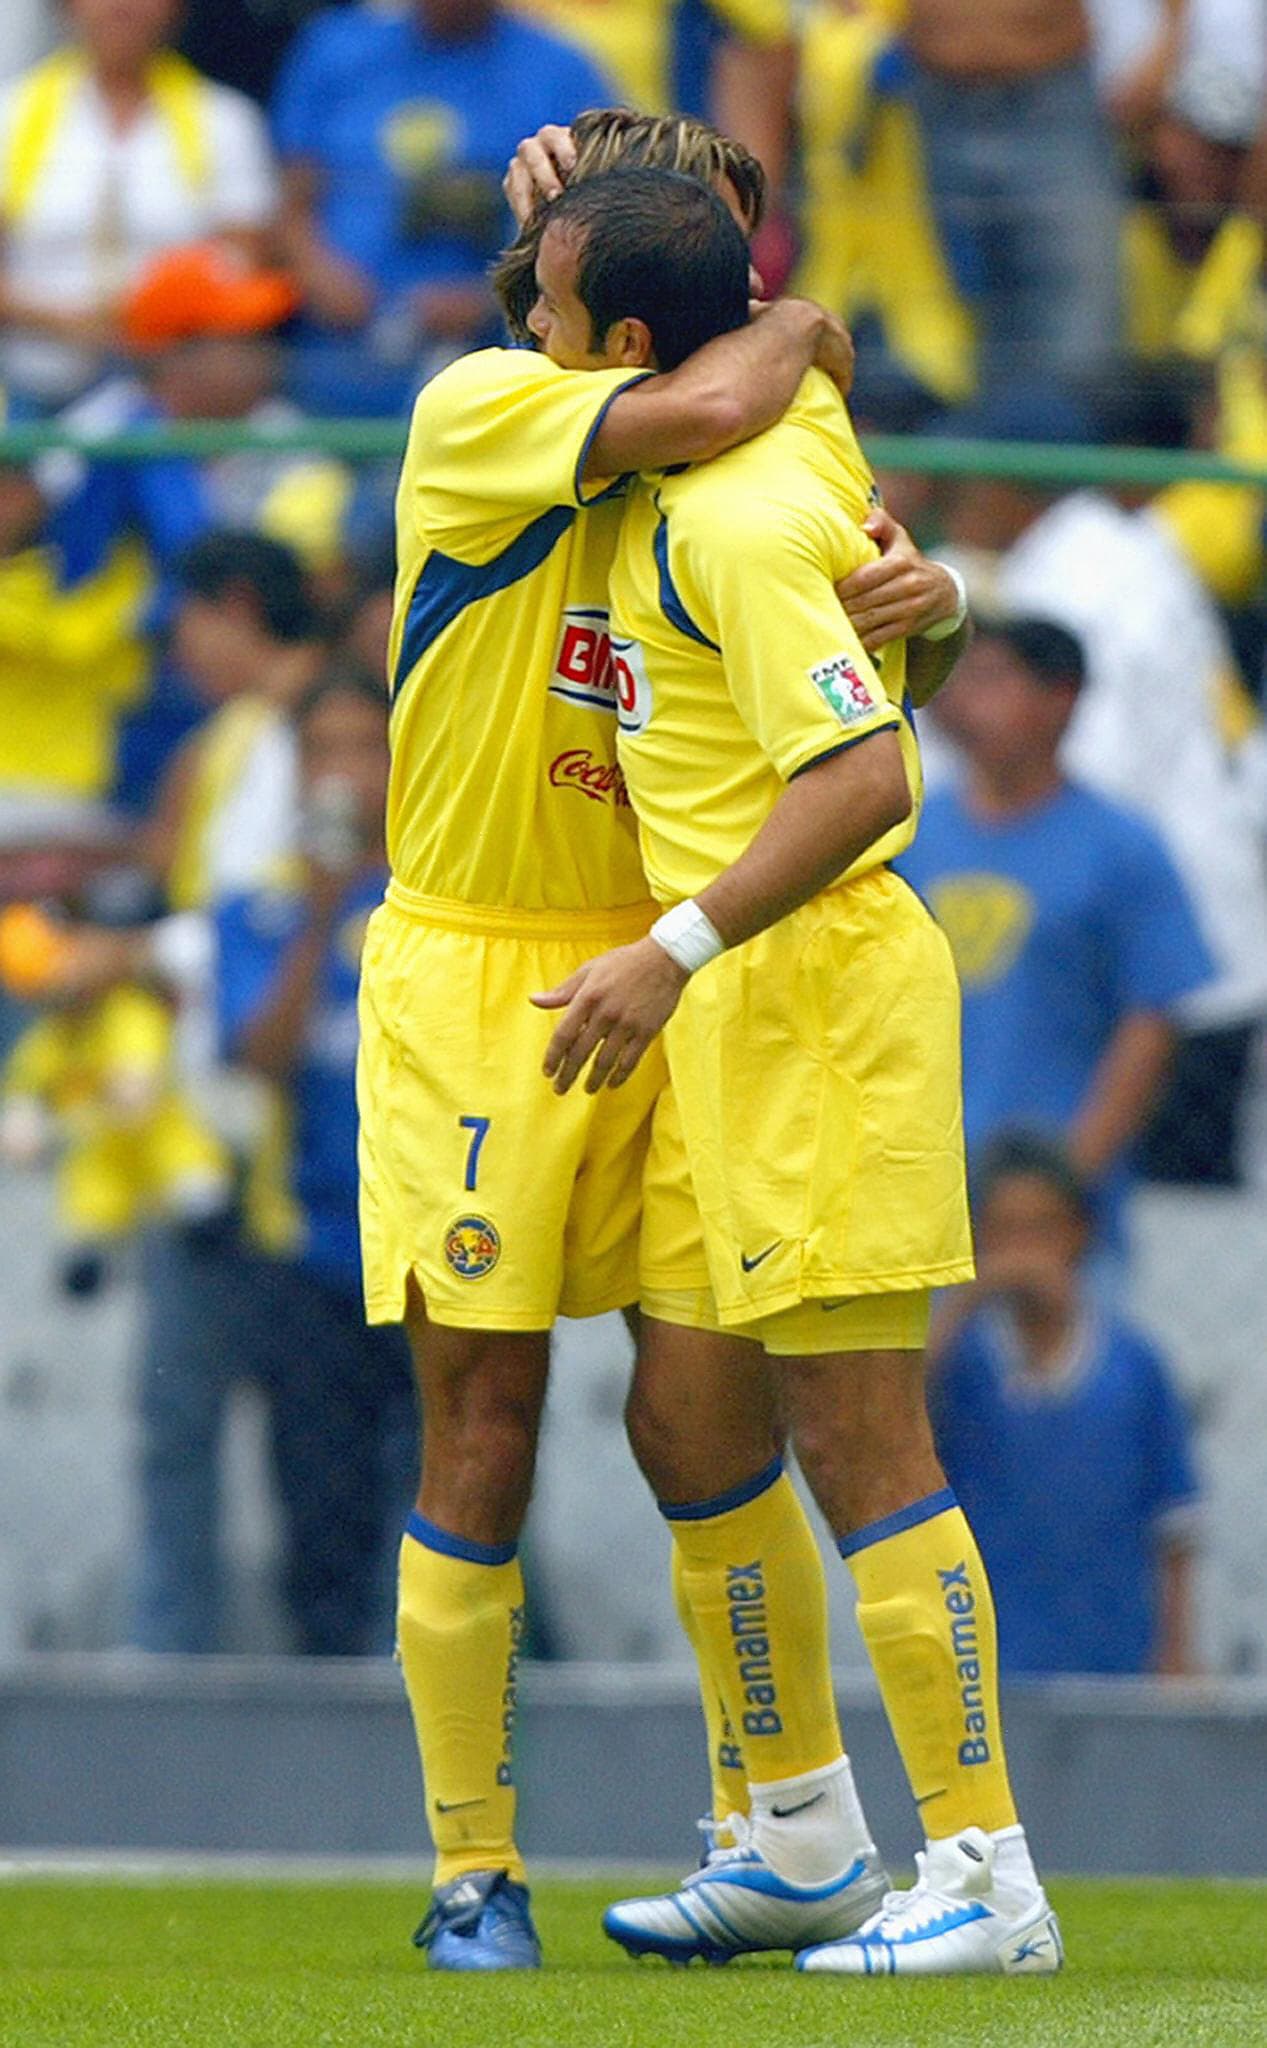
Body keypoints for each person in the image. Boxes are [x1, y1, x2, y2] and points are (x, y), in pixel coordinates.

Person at [360, 107, 965, 1972]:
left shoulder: (768, 424)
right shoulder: (483, 401)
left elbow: (849, 704)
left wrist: (930, 621)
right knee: (483, 1419)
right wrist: (810, 327)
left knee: (700, 1406)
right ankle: (476, 1870)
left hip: (678, 959)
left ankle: (785, 1827)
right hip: (481, 969)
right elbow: (718, 405)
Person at [534, 167, 1060, 1978]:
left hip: (801, 983)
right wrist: (933, 604)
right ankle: (804, 1836)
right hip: (738, 994)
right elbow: (879, 615)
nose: (526, 342)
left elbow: (865, 775)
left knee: (860, 1431)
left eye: (548, 311)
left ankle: (986, 1873)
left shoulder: (729, 522)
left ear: (622, 345)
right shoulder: (774, 429)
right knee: (688, 1409)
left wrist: (664, 951)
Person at [209, 662, 417, 1656]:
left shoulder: (439, 901)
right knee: (319, 1506)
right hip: (303, 1248)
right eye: (318, 750)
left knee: (451, 1500)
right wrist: (317, 917)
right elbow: (257, 1058)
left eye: (360, 748)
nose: (340, 772)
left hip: (430, 1244)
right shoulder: (257, 911)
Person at [898, 617, 1214, 1256]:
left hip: (1054, 1200)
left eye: (991, 677)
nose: (959, 696)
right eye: (956, 676)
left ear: (1061, 699)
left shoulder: (1123, 847)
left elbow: (1151, 1022)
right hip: (913, 1188)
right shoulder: (904, 832)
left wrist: (1069, 1176)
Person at [929, 1130, 1200, 1676]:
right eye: (1005, 1230)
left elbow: (1175, 1525)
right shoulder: (961, 1359)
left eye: (1041, 1228)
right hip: (986, 1664)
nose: (1024, 1250)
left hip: (1113, 1659)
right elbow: (901, 1427)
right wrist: (964, 1302)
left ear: (1079, 1233)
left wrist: (1175, 1653)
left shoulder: (1133, 1366)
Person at [271, 0, 610, 415]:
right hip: (340, 352)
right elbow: (289, 202)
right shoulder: (337, 48)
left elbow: (597, 219)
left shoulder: (559, 68)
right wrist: (322, 276)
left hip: (501, 355)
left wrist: (497, 299)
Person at [0, 0, 277, 413]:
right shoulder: (11, 115)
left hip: (175, 397)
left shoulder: (225, 120)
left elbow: (242, 265)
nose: (122, 7)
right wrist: (71, 322)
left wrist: (153, 315)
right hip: (32, 389)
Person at [900, 0, 1124, 414]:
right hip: (922, 91)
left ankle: (1068, 472)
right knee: (924, 325)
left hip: (1052, 97)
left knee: (1078, 329)